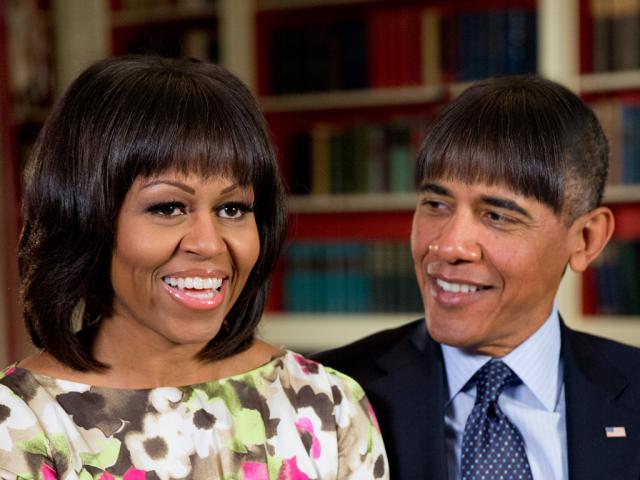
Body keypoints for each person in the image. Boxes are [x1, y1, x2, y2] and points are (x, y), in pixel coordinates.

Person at [0, 55, 388, 479]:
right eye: (168, 207)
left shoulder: (327, 403)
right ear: (85, 218)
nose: (208, 243)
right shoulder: (18, 423)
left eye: (232, 208)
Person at [315, 75, 640, 479]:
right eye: (435, 203)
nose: (449, 247)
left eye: (497, 216)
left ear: (586, 240)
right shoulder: (325, 396)